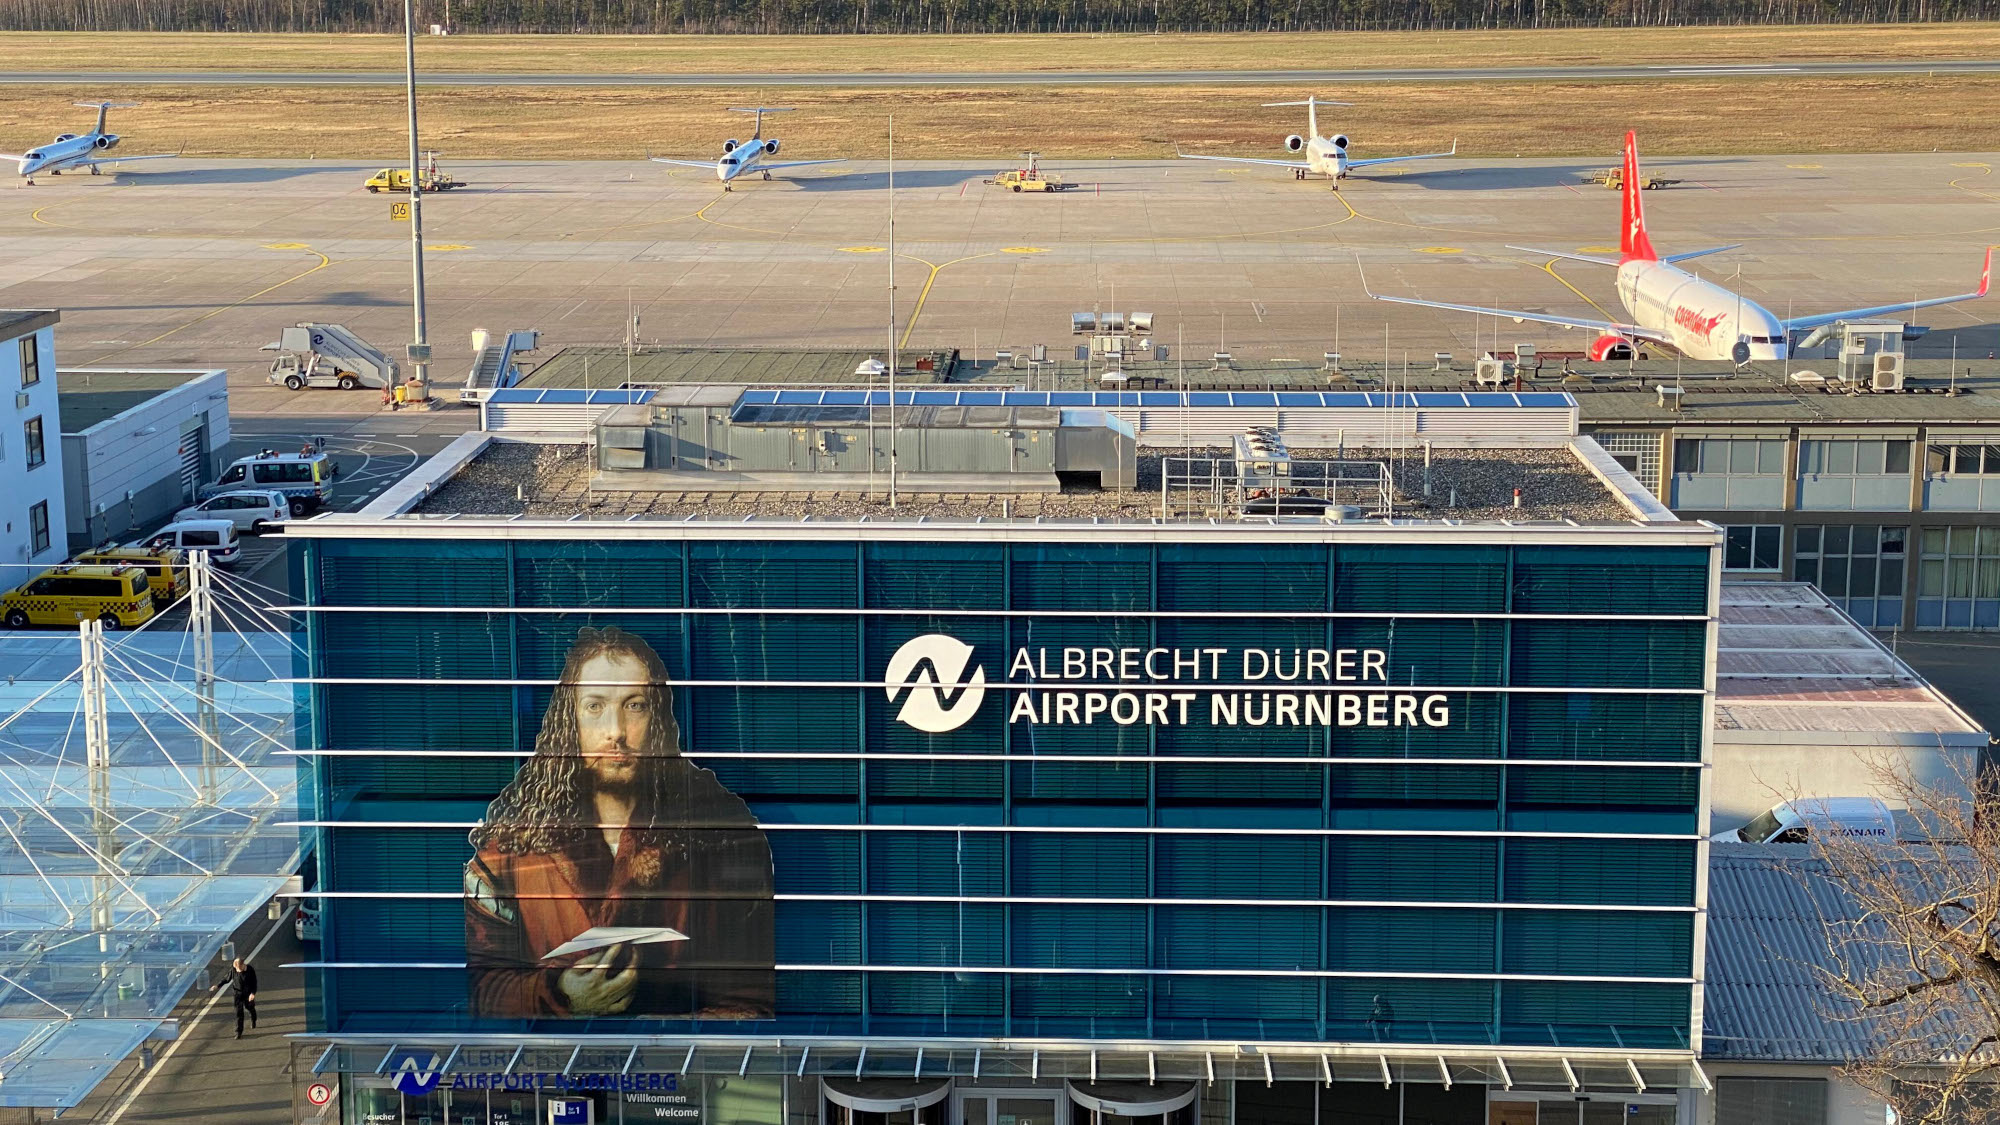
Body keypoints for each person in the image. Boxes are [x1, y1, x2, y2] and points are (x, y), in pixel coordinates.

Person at [464, 627, 774, 1019]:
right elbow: (478, 987)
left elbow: (753, 996)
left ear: (658, 717)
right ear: (569, 720)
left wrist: (658, 1037)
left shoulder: (724, 836)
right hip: (553, 1070)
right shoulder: (510, 846)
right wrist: (560, 995)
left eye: (634, 706)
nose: (615, 733)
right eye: (595, 706)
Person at [221, 956, 258, 1038]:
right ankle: (238, 1032)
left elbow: (254, 983)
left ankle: (253, 1019)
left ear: (243, 965)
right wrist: (218, 985)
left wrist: (252, 993)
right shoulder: (234, 970)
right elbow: (227, 979)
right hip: (237, 994)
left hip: (247, 993)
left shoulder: (250, 970)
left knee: (250, 1007)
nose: (238, 970)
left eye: (239, 968)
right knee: (239, 1013)